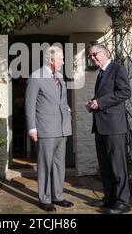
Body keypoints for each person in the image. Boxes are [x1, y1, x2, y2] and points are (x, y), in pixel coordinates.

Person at [25, 46, 74, 212]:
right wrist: (32, 128)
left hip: (62, 128)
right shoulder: (36, 77)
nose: (63, 61)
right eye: (61, 58)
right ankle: (44, 199)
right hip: (45, 128)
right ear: (51, 60)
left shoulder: (60, 76)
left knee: (59, 165)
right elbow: (29, 105)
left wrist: (68, 111)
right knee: (45, 164)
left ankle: (58, 196)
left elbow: (63, 101)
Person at [85, 44, 132, 214]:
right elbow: (104, 96)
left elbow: (125, 92)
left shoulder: (117, 69)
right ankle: (109, 198)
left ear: (104, 53)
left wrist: (101, 102)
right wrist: (93, 103)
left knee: (118, 166)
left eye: (94, 55)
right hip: (100, 127)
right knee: (105, 166)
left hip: (114, 127)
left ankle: (123, 202)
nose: (92, 58)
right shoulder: (101, 73)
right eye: (90, 56)